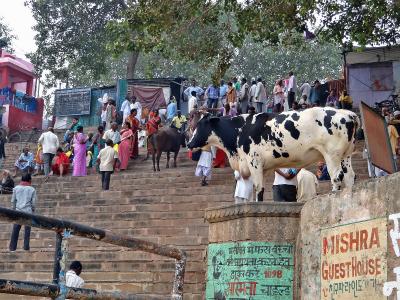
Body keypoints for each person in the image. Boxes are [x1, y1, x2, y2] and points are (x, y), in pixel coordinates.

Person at [9, 173, 36, 251]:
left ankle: (12, 248)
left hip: (18, 211)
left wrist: (13, 210)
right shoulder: (32, 189)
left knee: (15, 230)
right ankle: (26, 247)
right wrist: (33, 210)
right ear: (30, 180)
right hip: (28, 212)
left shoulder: (16, 188)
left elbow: (13, 201)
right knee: (27, 231)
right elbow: (33, 203)